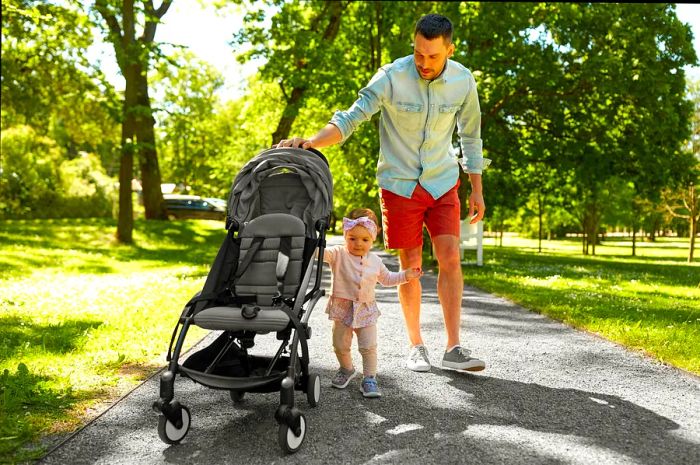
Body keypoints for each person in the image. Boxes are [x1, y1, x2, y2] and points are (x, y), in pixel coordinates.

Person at [276, 14, 489, 372]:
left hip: (442, 180)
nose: (424, 63)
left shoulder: (463, 82)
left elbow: (471, 137)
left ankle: (454, 347)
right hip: (400, 184)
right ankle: (416, 345)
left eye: (433, 56)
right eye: (419, 53)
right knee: (412, 266)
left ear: (449, 50)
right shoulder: (391, 77)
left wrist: (477, 188)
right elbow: (351, 117)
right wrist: (313, 142)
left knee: (450, 256)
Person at [322, 208, 422, 398]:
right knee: (340, 344)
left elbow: (387, 279)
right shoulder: (338, 254)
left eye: (365, 240)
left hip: (366, 309)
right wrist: (306, 244)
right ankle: (346, 369)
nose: (358, 244)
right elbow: (319, 254)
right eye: (352, 238)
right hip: (342, 308)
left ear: (373, 239)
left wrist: (405, 276)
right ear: (345, 235)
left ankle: (369, 377)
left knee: (368, 346)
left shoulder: (375, 261)